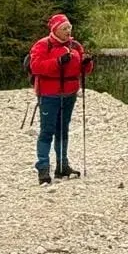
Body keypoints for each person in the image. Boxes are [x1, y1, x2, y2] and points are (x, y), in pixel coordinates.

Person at [27, 13, 93, 185]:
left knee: (63, 130)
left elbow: (84, 70)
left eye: (69, 27)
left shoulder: (75, 45)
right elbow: (36, 66)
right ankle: (43, 168)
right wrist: (57, 62)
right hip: (49, 94)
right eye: (64, 28)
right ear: (55, 30)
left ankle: (62, 166)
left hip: (69, 94)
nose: (68, 31)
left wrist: (87, 62)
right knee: (47, 131)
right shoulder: (43, 45)